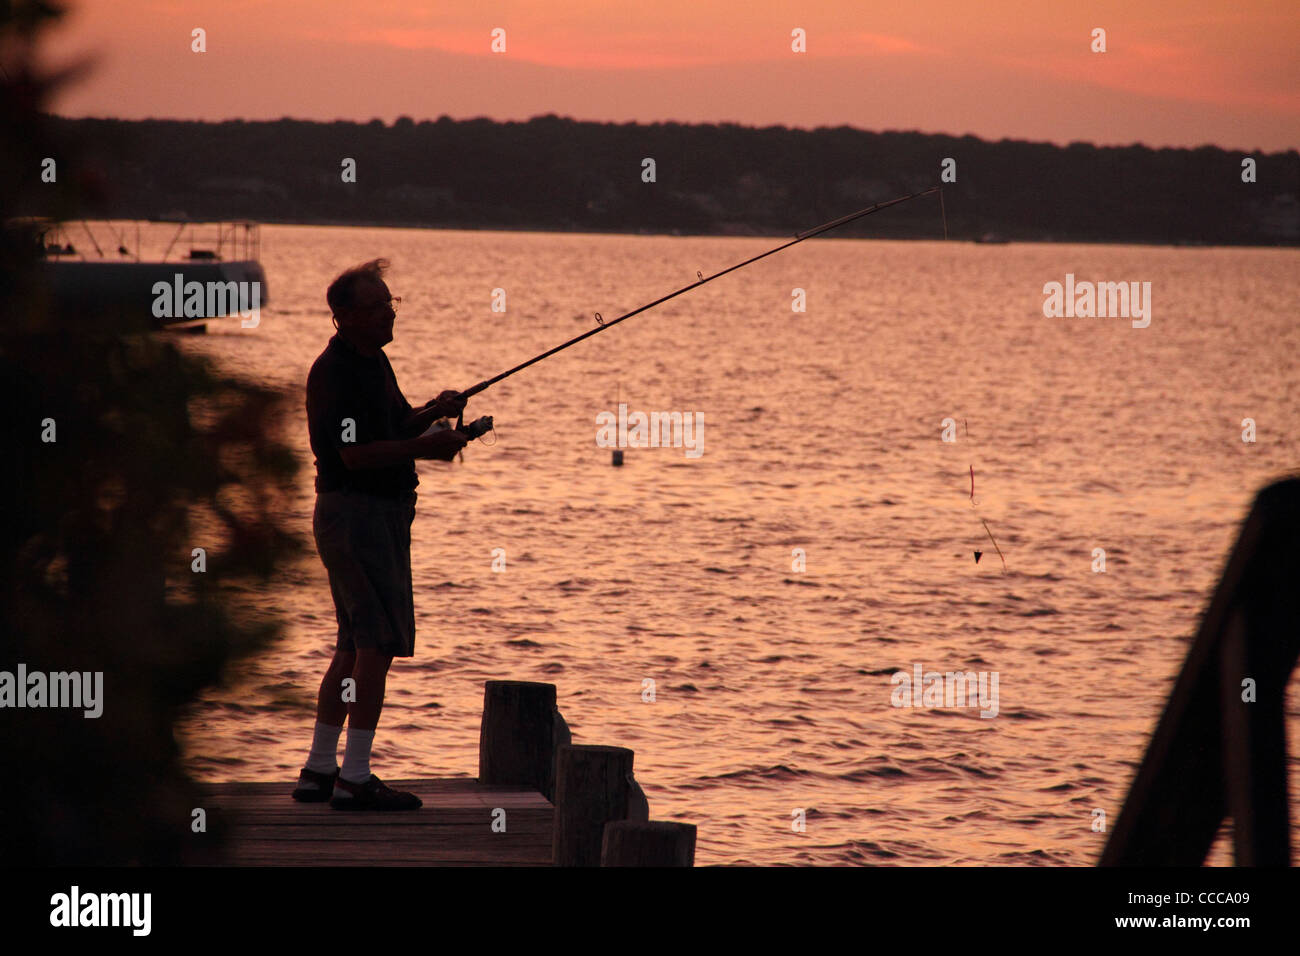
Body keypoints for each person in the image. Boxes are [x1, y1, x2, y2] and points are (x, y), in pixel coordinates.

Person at [292, 258, 467, 810]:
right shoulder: (336, 373)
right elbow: (353, 453)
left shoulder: (373, 362)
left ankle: (320, 769)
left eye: (392, 303)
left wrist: (434, 414)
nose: (389, 314)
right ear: (342, 315)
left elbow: (389, 429)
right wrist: (424, 447)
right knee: (375, 645)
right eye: (376, 307)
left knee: (351, 642)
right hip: (357, 516)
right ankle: (355, 777)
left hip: (371, 516)